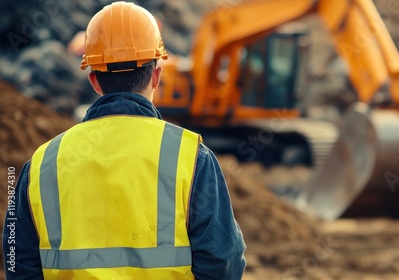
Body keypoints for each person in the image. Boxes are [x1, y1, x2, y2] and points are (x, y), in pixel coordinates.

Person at [2, 2, 246, 279]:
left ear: (94, 80)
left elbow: (17, 261)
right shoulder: (191, 157)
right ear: (156, 76)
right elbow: (223, 262)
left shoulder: (42, 164)